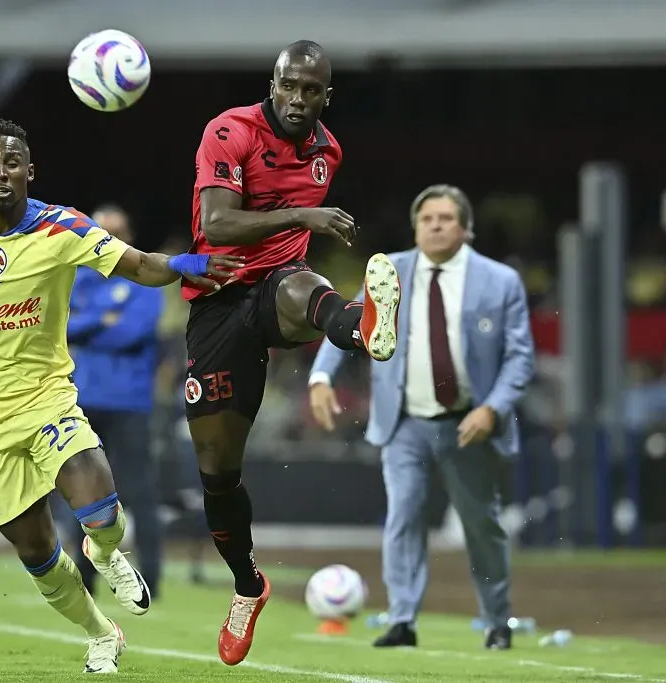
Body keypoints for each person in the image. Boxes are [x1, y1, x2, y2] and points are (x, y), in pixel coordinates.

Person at [0, 119, 240, 674]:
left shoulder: (62, 228)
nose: (1, 172)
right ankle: (100, 633)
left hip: (47, 400)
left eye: (12, 162)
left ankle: (106, 551)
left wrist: (186, 264)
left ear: (29, 171)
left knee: (102, 507)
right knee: (37, 553)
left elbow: (136, 264)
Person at [182, 39, 402, 665]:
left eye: (313, 90)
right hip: (219, 296)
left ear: (326, 95)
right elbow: (219, 224)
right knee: (217, 472)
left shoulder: (327, 151)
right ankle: (248, 586)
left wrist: (302, 225)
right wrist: (306, 215)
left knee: (302, 284)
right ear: (272, 85)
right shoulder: (229, 131)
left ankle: (360, 326)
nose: (300, 99)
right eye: (290, 87)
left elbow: (290, 242)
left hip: (278, 289)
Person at [308, 184, 535, 651]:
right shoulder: (389, 272)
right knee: (403, 515)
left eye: (446, 218)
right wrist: (321, 379)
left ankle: (497, 619)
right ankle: (403, 619)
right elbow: (347, 325)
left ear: (466, 228)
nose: (434, 225)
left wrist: (493, 407)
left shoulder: (500, 282)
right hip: (404, 420)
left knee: (481, 524)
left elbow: (520, 358)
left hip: (469, 420)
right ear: (415, 226)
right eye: (426, 218)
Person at [53, 203, 165, 600]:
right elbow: (62, 328)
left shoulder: (144, 281)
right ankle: (85, 576)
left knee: (139, 489)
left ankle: (152, 577)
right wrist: (105, 318)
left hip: (130, 401)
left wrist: (91, 323)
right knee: (80, 489)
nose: (110, 240)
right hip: (84, 399)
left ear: (129, 239)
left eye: (117, 233)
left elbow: (133, 331)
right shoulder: (78, 279)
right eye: (103, 233)